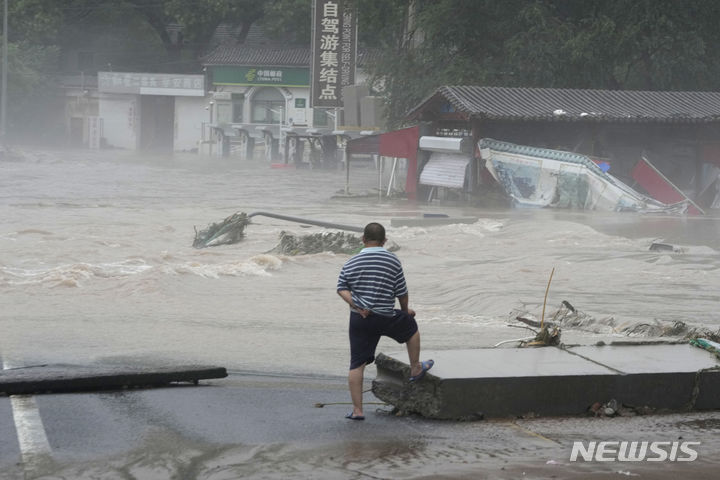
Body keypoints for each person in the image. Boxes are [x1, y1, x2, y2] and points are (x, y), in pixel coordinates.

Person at [336, 222, 433, 421]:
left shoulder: (352, 261)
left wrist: (355, 305)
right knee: (412, 328)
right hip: (386, 316)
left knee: (357, 364)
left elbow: (341, 287)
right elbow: (402, 292)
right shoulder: (392, 260)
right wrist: (406, 312)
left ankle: (357, 411)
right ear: (384, 241)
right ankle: (415, 367)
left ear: (363, 239)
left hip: (360, 318)